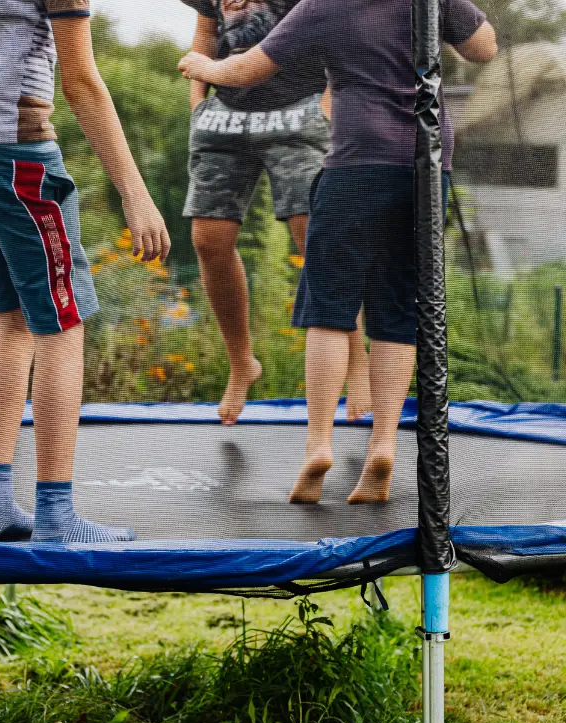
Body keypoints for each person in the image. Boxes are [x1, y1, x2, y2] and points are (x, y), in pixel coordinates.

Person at [178, 0, 497, 503]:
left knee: (328, 309)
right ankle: (384, 445)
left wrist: (204, 68)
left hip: (356, 164)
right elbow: (485, 48)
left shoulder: (324, 4)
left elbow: (248, 67)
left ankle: (318, 446)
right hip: (427, 167)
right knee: (396, 311)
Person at [0, 0, 171, 542]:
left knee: (12, 318)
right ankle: (56, 512)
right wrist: (136, 192)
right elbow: (81, 81)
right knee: (62, 321)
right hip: (15, 153)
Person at [178, 0, 372, 426]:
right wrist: (198, 104)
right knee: (208, 242)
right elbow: (207, 31)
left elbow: (338, 30)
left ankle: (358, 363)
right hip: (225, 116)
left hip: (298, 108)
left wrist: (326, 105)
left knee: (315, 237)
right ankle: (242, 362)